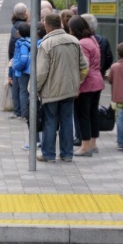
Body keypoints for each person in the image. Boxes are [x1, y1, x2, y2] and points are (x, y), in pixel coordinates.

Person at [34, 12, 86, 163]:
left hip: (51, 91)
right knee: (67, 121)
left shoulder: (46, 44)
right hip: (70, 90)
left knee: (50, 121)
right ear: (61, 24)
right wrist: (77, 82)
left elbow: (41, 72)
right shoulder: (74, 41)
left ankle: (49, 154)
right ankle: (67, 154)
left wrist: (34, 89)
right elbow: (84, 66)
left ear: (47, 25)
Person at [68, 14, 104, 156]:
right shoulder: (92, 39)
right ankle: (92, 144)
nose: (69, 31)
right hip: (97, 81)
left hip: (87, 84)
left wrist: (77, 85)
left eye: (70, 28)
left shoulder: (82, 43)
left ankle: (84, 147)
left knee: (83, 115)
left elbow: (84, 67)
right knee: (93, 114)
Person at [6, 2, 30, 116]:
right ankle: (23, 112)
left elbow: (11, 48)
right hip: (19, 65)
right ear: (25, 13)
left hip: (15, 63)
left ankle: (18, 110)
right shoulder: (24, 28)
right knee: (22, 89)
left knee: (16, 88)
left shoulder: (15, 26)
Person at [9, 21, 33, 129]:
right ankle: (24, 112)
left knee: (22, 92)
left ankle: (23, 114)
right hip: (29, 70)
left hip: (22, 72)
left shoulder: (22, 43)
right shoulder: (31, 41)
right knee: (26, 91)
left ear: (19, 32)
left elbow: (23, 59)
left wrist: (16, 66)